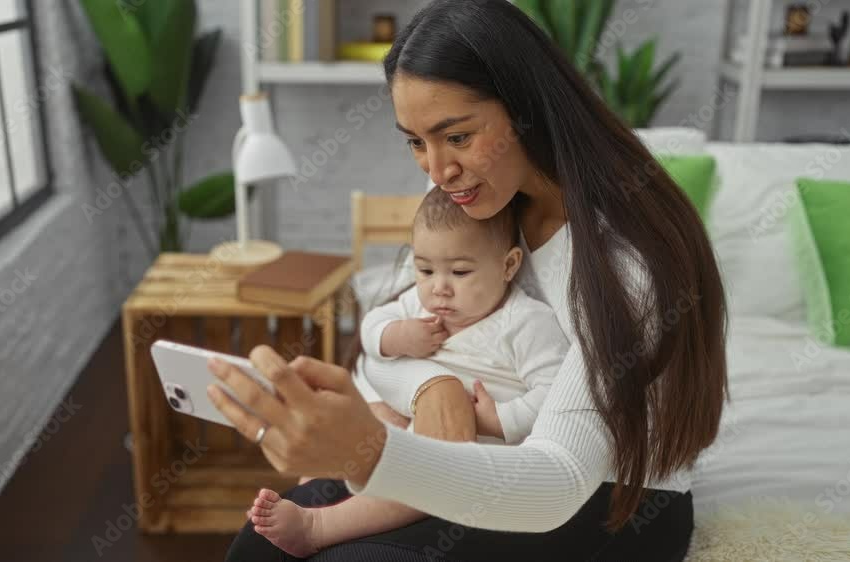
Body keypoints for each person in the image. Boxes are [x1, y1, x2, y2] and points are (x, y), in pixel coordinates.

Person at [207, 0, 728, 559]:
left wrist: (373, 450)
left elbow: (556, 483)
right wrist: (434, 387)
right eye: (416, 141)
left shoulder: (625, 264)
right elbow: (379, 353)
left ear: (525, 110)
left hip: (610, 501)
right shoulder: (483, 204)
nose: (437, 170)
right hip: (480, 454)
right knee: (260, 545)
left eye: (456, 137)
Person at [248, 186, 568, 557]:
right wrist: (396, 336)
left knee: (415, 481)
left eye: (460, 272)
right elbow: (371, 328)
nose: (439, 288)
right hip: (408, 425)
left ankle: (318, 527)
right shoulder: (416, 304)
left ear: (508, 265)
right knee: (349, 428)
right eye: (425, 269)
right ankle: (310, 490)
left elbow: (553, 393)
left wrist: (502, 421)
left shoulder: (526, 323)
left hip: (469, 461)